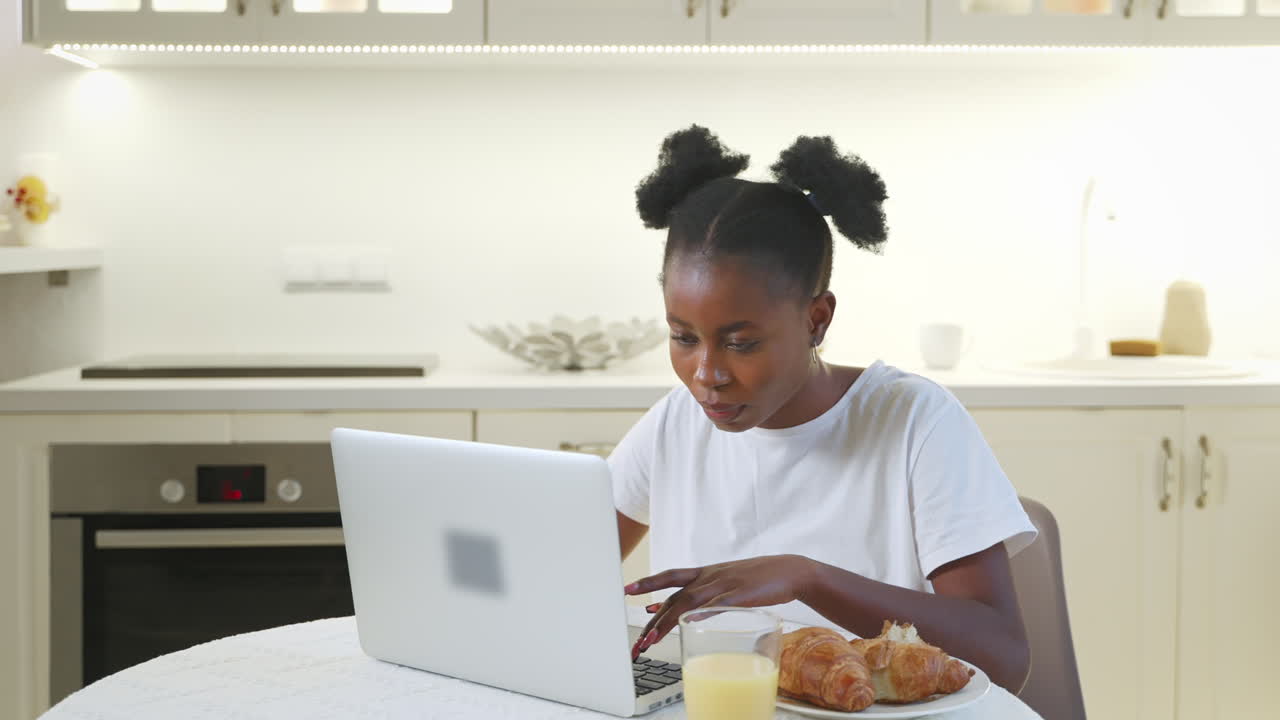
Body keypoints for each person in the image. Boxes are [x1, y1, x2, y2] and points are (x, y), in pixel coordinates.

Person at [611, 125, 1036, 692]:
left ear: (816, 320)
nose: (707, 375)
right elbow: (558, 566)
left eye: (741, 343)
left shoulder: (913, 421)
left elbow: (1004, 655)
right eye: (684, 337)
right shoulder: (676, 422)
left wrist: (806, 577)